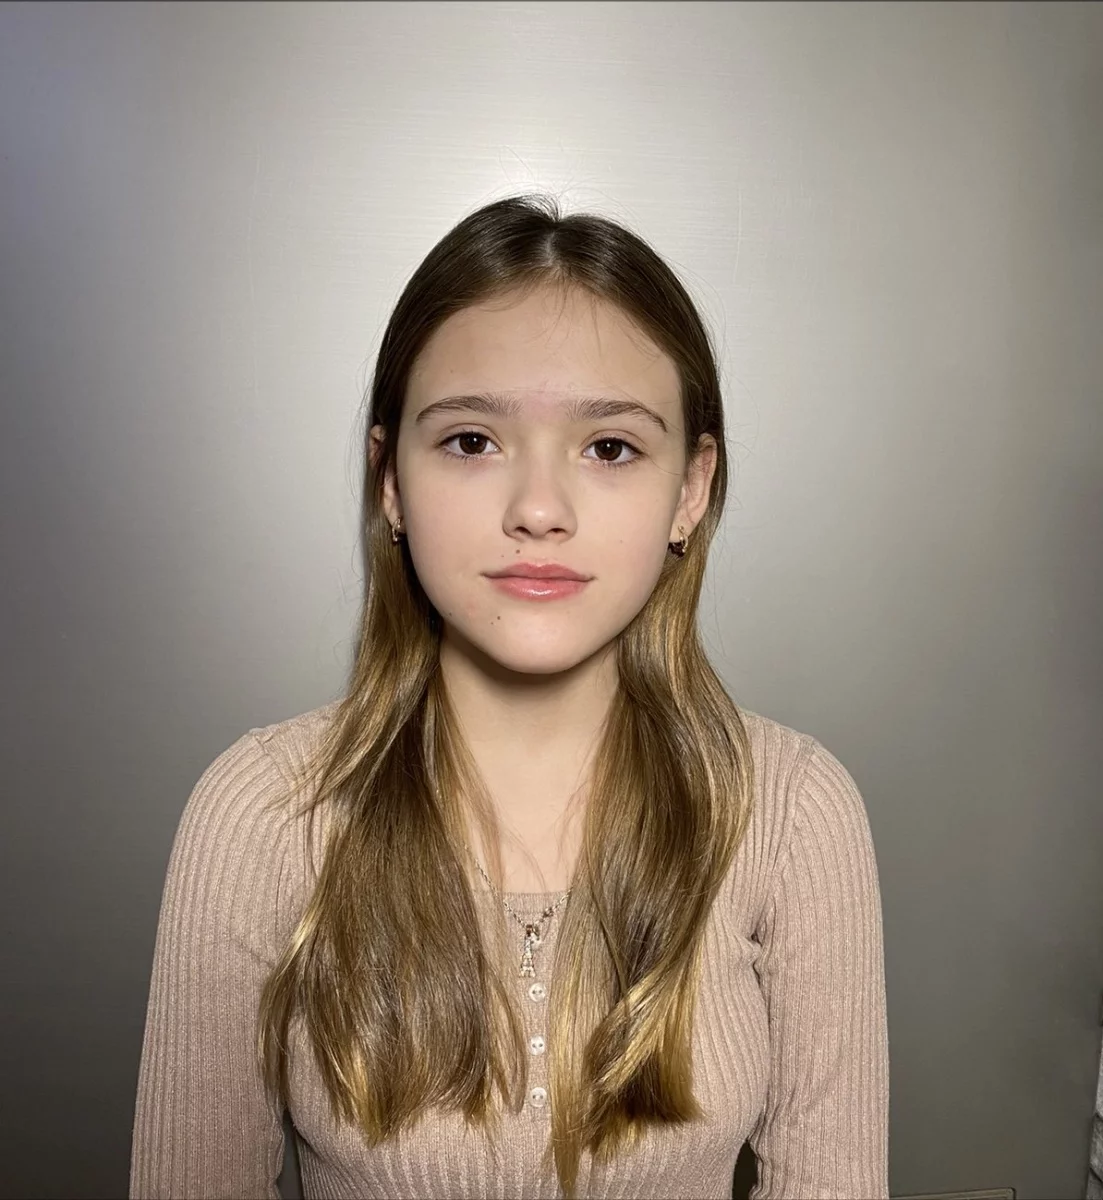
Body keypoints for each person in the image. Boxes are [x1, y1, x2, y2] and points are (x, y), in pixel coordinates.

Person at [129, 193, 889, 1200]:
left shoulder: (793, 814)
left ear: (690, 489)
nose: (537, 509)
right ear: (389, 482)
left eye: (609, 447)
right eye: (470, 441)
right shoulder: (263, 814)